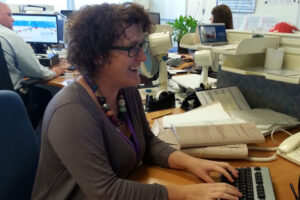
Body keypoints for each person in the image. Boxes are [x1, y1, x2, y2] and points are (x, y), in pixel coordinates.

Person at [32, 3, 242, 200]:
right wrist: (187, 193)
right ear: (97, 55)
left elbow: (148, 141)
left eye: (141, 45)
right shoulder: (71, 112)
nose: (142, 57)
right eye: (132, 48)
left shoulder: (126, 90)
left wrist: (192, 163)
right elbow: (105, 192)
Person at [0, 3, 65, 128]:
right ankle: (27, 133)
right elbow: (37, 71)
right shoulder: (9, 35)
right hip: (10, 99)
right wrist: (55, 72)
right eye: (9, 15)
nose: (13, 19)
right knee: (45, 95)